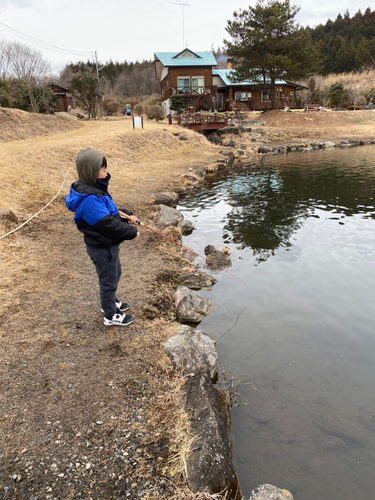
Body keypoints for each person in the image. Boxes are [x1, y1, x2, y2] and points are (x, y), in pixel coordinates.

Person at [66, 148, 138, 326]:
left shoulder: (97, 190)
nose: (107, 173)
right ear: (92, 172)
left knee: (115, 273)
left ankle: (110, 302)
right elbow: (107, 225)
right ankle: (110, 315)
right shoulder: (90, 198)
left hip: (107, 245)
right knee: (108, 281)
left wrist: (126, 217)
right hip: (101, 247)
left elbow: (110, 212)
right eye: (103, 170)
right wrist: (130, 232)